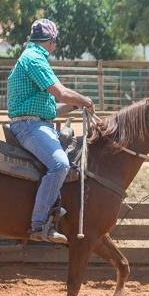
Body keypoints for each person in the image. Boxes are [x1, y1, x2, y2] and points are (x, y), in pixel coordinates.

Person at [7, 19, 96, 244]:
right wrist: (85, 100)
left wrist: (77, 106)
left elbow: (52, 108)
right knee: (60, 164)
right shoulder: (36, 59)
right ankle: (38, 224)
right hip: (29, 126)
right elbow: (62, 94)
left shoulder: (29, 58)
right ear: (52, 41)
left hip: (34, 122)